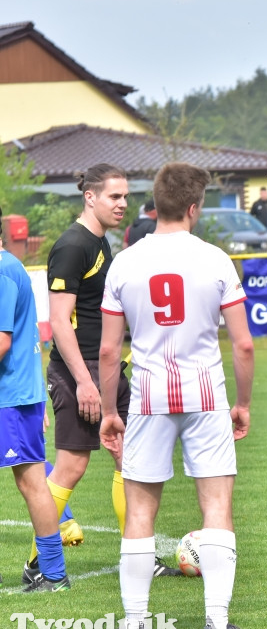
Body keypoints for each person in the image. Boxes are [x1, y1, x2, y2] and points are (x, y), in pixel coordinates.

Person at [94, 162, 260, 629]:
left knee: (140, 511)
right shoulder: (215, 259)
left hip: (147, 396)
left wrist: (109, 412)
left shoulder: (125, 262)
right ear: (193, 207)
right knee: (216, 506)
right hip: (205, 393)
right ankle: (216, 625)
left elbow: (108, 349)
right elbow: (244, 345)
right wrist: (244, 402)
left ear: (155, 203)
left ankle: (135, 626)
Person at [36, 163, 181, 585]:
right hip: (77, 373)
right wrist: (84, 381)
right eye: (114, 197)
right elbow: (59, 322)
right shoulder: (72, 245)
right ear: (90, 197)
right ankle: (39, 567)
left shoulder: (102, 243)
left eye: (125, 196)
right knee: (70, 469)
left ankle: (140, 557)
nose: (123, 204)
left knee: (130, 460)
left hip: (107, 371)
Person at [1, 207, 70, 592]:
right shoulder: (9, 267)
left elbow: (2, 340)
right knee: (31, 481)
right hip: (14, 393)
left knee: (31, 482)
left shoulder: (1, 270)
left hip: (9, 396)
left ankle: (53, 573)